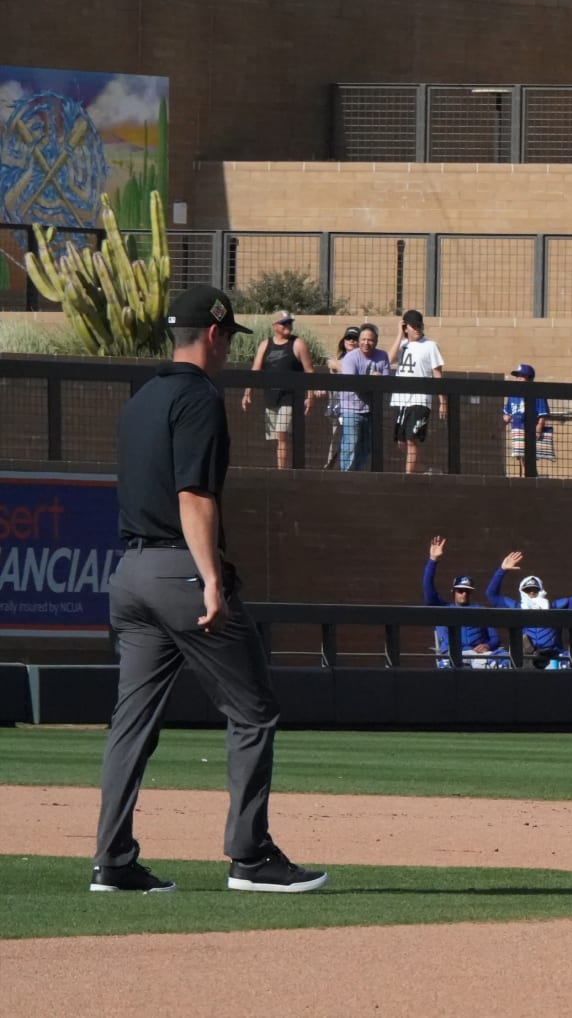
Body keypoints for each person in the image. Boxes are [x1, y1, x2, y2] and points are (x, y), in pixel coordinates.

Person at [91, 286, 327, 895]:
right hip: (180, 571)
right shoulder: (198, 397)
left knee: (130, 723)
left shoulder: (141, 398)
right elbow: (194, 495)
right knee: (253, 708)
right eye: (229, 339)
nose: (228, 350)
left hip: (132, 574)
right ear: (216, 335)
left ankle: (113, 863)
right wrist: (213, 579)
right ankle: (250, 858)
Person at [486, 550, 572, 670]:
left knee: (570, 662)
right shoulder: (516, 608)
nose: (532, 593)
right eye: (528, 590)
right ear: (522, 592)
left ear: (541, 590)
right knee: (498, 658)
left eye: (535, 590)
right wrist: (502, 570)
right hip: (525, 658)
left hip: (553, 657)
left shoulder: (555, 607)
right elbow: (491, 595)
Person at [240, 311, 314, 470]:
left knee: (282, 433)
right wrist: (248, 393)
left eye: (289, 322)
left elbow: (309, 371)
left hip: (291, 397)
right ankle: (282, 468)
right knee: (278, 438)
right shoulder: (265, 344)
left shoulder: (298, 344)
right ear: (275, 326)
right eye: (284, 323)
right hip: (271, 397)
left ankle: (282, 472)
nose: (288, 325)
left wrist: (310, 396)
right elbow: (256, 369)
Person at [424, 536, 504, 668]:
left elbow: (495, 638)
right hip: (452, 655)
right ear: (453, 591)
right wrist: (433, 560)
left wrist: (487, 645)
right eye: (460, 590)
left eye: (467, 590)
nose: (464, 593)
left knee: (503, 659)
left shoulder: (481, 611)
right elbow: (428, 590)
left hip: (478, 656)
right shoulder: (444, 608)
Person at [390, 309, 446, 475]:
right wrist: (399, 335)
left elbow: (438, 374)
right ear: (405, 327)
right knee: (401, 442)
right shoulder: (402, 345)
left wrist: (443, 401)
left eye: (419, 326)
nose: (417, 329)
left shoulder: (430, 345)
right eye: (413, 326)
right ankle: (425, 469)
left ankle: (408, 477)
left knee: (411, 439)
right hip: (402, 400)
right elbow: (389, 360)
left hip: (420, 400)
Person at [335, 322, 390, 471]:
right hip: (351, 408)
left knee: (366, 447)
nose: (366, 343)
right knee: (350, 444)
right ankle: (345, 475)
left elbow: (387, 381)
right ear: (359, 341)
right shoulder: (351, 358)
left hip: (372, 409)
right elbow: (352, 384)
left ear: (376, 341)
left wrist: (378, 381)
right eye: (364, 339)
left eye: (370, 340)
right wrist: (373, 381)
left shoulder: (382, 355)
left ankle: (357, 473)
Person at [503, 363, 555, 477]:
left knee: (528, 459)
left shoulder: (537, 393)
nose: (518, 379)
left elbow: (543, 413)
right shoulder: (513, 394)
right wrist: (500, 424)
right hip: (517, 429)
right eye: (517, 376)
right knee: (522, 458)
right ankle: (527, 479)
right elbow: (507, 414)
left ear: (529, 378)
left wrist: (539, 428)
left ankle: (528, 480)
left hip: (530, 430)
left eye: (521, 376)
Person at [322, 325, 360, 469]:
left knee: (351, 443)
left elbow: (353, 376)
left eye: (354, 338)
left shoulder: (359, 359)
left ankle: (347, 471)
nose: (351, 341)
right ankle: (330, 469)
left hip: (356, 407)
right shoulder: (337, 360)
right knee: (337, 440)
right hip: (338, 408)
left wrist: (338, 366)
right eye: (348, 338)